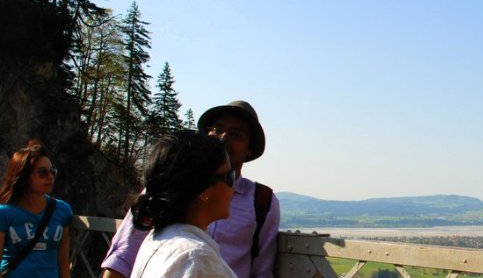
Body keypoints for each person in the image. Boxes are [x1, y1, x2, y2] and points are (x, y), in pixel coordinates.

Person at [102, 100, 280, 278]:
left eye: (235, 134)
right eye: (217, 129)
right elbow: (124, 254)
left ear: (250, 148)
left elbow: (262, 271)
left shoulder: (262, 201)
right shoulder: (169, 184)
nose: (223, 138)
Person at [130, 130, 236, 277]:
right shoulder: (197, 258)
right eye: (230, 177)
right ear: (204, 190)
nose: (233, 189)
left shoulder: (158, 239)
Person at [0, 140, 73, 278]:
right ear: (24, 176)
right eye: (42, 173)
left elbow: (63, 262)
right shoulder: (4, 213)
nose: (50, 177)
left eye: (52, 171)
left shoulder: (62, 210)